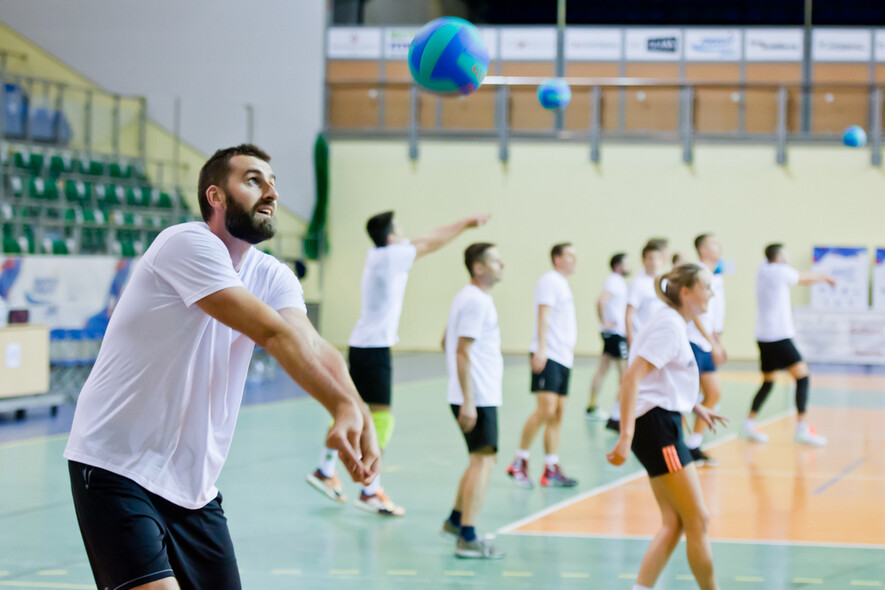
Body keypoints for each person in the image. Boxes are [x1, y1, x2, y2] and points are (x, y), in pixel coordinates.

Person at [63, 144, 380, 590]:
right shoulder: (185, 244)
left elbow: (313, 345)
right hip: (116, 464)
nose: (271, 192)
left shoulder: (272, 275)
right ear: (215, 196)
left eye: (272, 183)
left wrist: (357, 410)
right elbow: (272, 333)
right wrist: (340, 406)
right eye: (253, 180)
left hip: (192, 484)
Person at [307, 209, 490, 515]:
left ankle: (325, 470)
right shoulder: (392, 257)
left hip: (363, 345)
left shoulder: (379, 254)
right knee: (380, 419)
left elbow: (422, 240)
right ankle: (370, 490)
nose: (406, 233)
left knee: (351, 410)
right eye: (400, 228)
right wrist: (466, 224)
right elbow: (431, 242)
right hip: (374, 349)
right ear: (391, 237)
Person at [607, 263, 727, 590]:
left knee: (674, 522)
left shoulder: (672, 321)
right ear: (686, 292)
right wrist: (625, 435)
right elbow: (631, 379)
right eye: (706, 287)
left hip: (660, 423)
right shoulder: (670, 326)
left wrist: (694, 405)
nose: (711, 293)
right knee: (698, 518)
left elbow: (663, 379)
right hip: (657, 429)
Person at [441, 243, 506, 559]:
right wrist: (468, 399)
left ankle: (456, 521)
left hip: (476, 393)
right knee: (483, 461)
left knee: (480, 459)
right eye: (495, 260)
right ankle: (467, 538)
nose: (502, 264)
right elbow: (461, 349)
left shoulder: (466, 297)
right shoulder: (476, 301)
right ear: (478, 268)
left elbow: (445, 340)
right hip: (477, 396)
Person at [741, 243, 836, 446]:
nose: (788, 255)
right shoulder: (780, 271)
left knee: (768, 381)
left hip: (763, 336)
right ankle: (801, 429)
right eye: (785, 253)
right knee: (802, 377)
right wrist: (824, 277)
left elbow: (778, 264)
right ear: (778, 256)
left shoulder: (763, 268)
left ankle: (749, 423)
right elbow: (803, 278)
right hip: (779, 337)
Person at [506, 243, 579, 488]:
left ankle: (551, 467)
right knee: (545, 410)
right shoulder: (549, 280)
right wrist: (541, 349)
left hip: (564, 357)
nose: (574, 260)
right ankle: (519, 461)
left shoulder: (563, 284)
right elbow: (543, 314)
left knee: (557, 414)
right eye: (569, 255)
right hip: (549, 354)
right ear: (557, 259)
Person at [608, 241, 665, 432]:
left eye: (657, 258)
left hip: (658, 342)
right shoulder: (639, 284)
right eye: (650, 258)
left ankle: (639, 416)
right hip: (641, 342)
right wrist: (632, 340)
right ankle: (617, 416)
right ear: (644, 260)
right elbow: (629, 314)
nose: (654, 262)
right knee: (632, 379)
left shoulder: (663, 283)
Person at [685, 234, 727, 466]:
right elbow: (695, 311)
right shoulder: (698, 272)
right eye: (713, 243)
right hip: (692, 341)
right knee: (686, 397)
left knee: (713, 393)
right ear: (702, 249)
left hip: (706, 342)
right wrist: (713, 342)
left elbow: (711, 316)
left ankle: (694, 444)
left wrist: (716, 340)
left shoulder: (714, 275)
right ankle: (680, 444)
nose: (718, 247)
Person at [586, 252, 630, 421]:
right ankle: (618, 414)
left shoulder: (616, 281)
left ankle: (591, 407)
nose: (629, 266)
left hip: (612, 334)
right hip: (616, 334)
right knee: (624, 374)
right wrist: (604, 321)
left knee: (603, 369)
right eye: (626, 263)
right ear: (618, 266)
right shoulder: (614, 281)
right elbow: (600, 300)